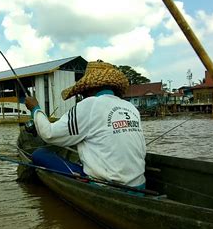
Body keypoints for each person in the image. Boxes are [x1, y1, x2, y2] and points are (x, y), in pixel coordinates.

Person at [24, 60, 146, 189]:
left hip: (107, 186)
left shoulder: (89, 104)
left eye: (82, 92)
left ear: (88, 89)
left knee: (39, 154)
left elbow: (48, 134)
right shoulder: (130, 107)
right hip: (140, 185)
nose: (82, 96)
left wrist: (35, 108)